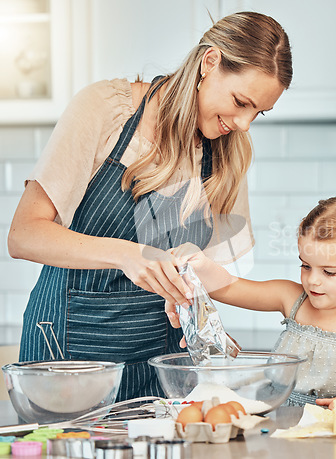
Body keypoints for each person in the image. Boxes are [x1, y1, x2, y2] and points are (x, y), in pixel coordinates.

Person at [7, 11, 293, 401]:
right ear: (209, 62)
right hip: (70, 354)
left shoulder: (230, 154)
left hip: (161, 363)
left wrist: (201, 321)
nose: (245, 123)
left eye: (258, 112)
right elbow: (23, 235)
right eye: (241, 102)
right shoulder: (105, 109)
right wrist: (127, 254)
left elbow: (203, 275)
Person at [170, 196, 336, 407]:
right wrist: (201, 265)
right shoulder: (291, 297)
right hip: (272, 419)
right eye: (306, 266)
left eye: (329, 272)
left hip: (334, 429)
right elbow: (230, 287)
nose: (313, 281)